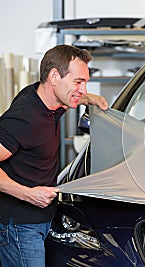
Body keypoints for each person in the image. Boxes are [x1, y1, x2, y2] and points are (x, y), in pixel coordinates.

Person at [0, 44, 108, 267]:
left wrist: (91, 99)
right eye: (79, 82)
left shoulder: (50, 101)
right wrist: (27, 194)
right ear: (54, 76)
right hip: (21, 227)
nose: (83, 90)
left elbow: (70, 98)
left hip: (42, 219)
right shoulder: (23, 119)